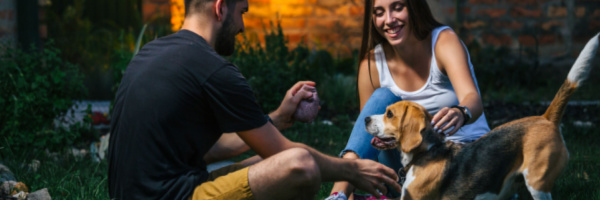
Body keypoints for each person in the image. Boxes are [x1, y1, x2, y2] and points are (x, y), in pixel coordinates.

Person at [107, 0, 403, 199]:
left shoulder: (153, 52)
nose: (243, 27)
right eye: (243, 13)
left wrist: (277, 118)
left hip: (135, 192)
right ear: (221, 8)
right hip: (174, 195)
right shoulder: (213, 68)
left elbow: (207, 150)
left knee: (270, 159)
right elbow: (286, 155)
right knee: (299, 166)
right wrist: (353, 169)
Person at [327, 0, 491, 199]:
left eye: (398, 7)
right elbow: (367, 135)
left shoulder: (443, 41)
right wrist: (385, 139)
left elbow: (472, 98)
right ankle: (338, 195)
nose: (388, 20)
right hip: (408, 165)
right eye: (379, 12)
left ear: (414, 7)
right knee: (382, 98)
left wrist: (461, 112)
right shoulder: (371, 64)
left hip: (461, 158)